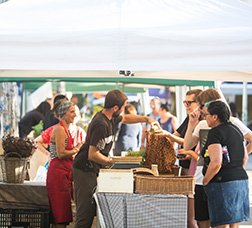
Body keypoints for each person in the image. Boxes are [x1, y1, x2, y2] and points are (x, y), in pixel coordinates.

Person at [72, 89, 157, 228]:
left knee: (93, 209)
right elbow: (92, 154)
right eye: (123, 107)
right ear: (115, 108)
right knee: (85, 213)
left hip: (93, 169)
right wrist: (113, 162)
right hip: (84, 169)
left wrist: (147, 119)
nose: (124, 110)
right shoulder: (101, 124)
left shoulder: (110, 117)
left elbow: (125, 118)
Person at [184, 88, 252, 228]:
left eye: (201, 104)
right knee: (206, 218)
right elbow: (187, 145)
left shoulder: (232, 123)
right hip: (202, 177)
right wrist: (191, 123)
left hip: (218, 179)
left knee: (225, 221)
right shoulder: (202, 124)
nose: (200, 108)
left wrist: (235, 162)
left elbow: (217, 162)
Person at [202, 100, 249, 227]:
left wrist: (205, 181)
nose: (204, 118)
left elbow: (216, 162)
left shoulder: (215, 132)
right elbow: (244, 157)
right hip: (241, 180)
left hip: (222, 182)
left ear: (214, 116)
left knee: (221, 224)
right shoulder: (237, 130)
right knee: (234, 223)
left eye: (205, 115)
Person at [163, 89, 202, 228]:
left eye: (189, 102)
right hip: (187, 166)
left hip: (197, 170)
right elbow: (181, 136)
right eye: (185, 102)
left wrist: (168, 135)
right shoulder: (190, 118)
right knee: (192, 214)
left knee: (195, 216)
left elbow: (188, 144)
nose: (186, 105)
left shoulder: (203, 121)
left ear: (200, 103)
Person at [46, 99, 83, 228]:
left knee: (63, 214)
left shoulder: (65, 129)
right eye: (72, 112)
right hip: (58, 174)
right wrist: (78, 148)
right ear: (64, 113)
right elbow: (61, 154)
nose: (75, 114)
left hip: (64, 173)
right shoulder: (60, 130)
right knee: (60, 215)